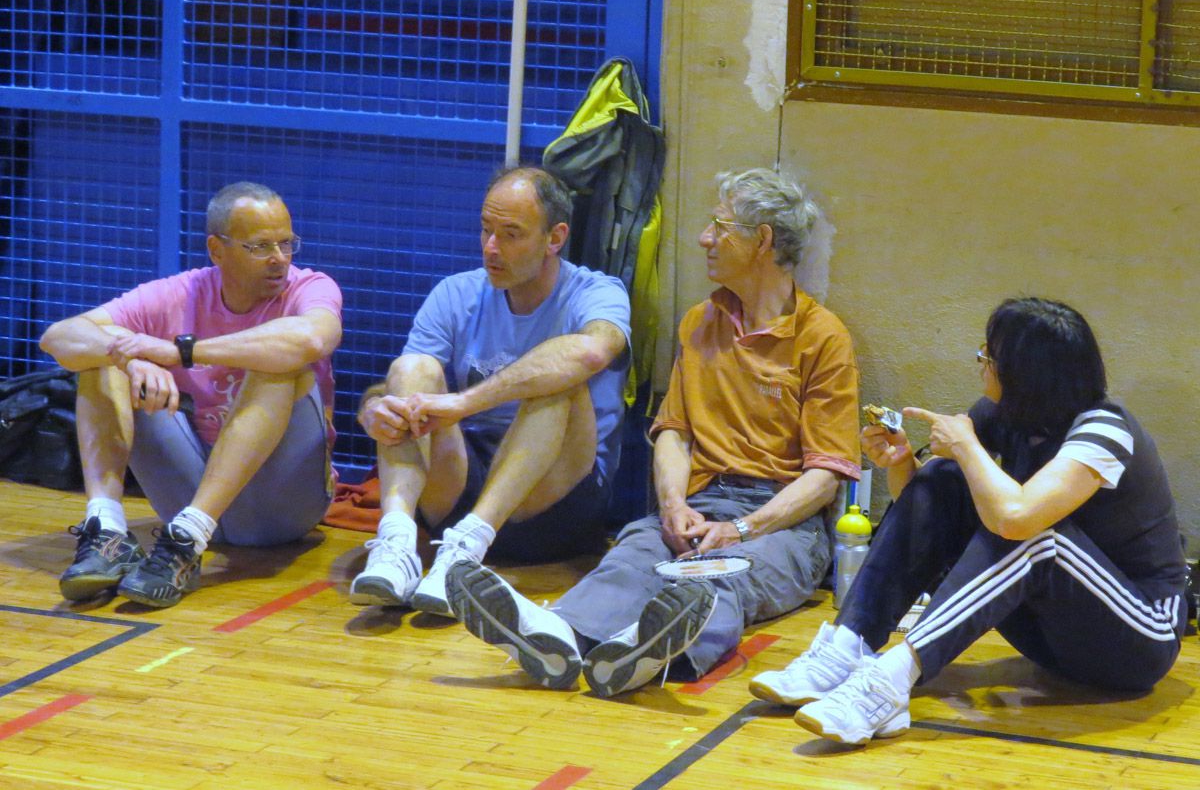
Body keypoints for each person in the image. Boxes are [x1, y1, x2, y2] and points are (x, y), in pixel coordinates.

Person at [444, 167, 862, 697]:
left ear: (762, 241)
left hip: (782, 525)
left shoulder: (822, 338)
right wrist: (672, 505)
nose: (705, 238)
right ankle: (556, 636)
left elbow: (825, 478)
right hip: (697, 502)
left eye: (720, 226)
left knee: (717, 577)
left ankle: (646, 654)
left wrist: (742, 529)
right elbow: (674, 433)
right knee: (629, 559)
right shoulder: (700, 322)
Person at [752, 297, 1186, 745]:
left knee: (1036, 534)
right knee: (942, 477)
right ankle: (846, 647)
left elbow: (1018, 519)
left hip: (1138, 639)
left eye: (989, 356)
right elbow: (931, 519)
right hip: (1053, 636)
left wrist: (965, 445)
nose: (981, 364)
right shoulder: (1005, 414)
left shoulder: (1105, 429)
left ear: (1024, 373)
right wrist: (900, 464)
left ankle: (889, 682)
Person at [39, 182, 342, 608]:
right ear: (217, 250)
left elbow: (312, 338)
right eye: (260, 246)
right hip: (191, 494)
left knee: (278, 361)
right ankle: (108, 530)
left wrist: (181, 352)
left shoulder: (310, 287)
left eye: (286, 243)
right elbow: (58, 337)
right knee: (102, 358)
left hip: (284, 506)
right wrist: (127, 357)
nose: (279, 258)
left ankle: (187, 539)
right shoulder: (179, 293)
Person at [351, 165, 630, 616]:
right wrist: (373, 408)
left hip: (554, 500)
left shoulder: (596, 293)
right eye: (485, 230)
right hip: (460, 488)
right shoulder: (454, 293)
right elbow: (404, 386)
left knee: (559, 378)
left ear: (555, 238)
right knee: (412, 367)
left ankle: (467, 551)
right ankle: (397, 541)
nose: (491, 247)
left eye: (511, 234)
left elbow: (592, 352)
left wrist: (465, 402)